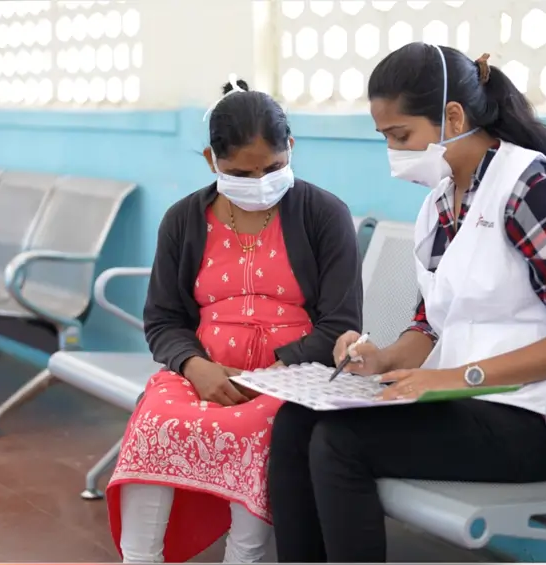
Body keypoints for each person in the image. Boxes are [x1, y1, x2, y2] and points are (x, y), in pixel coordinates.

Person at [267, 43, 546, 563]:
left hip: (541, 422)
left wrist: (458, 378)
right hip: (465, 409)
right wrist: (379, 359)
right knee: (295, 421)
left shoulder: (532, 188)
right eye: (386, 138)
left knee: (343, 443)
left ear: (452, 116)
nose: (393, 151)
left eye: (401, 135)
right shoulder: (440, 203)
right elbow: (428, 325)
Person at [104, 78, 363, 563]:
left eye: (273, 166)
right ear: (211, 161)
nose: (261, 181)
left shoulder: (323, 214)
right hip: (204, 370)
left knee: (260, 430)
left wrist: (276, 373)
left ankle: (243, 558)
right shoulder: (184, 220)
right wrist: (194, 366)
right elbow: (162, 319)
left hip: (291, 380)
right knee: (154, 422)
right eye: (242, 172)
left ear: (291, 147)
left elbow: (341, 321)